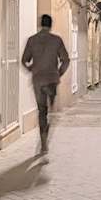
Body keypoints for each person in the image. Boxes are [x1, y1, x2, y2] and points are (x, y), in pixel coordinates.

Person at [21, 14, 70, 154]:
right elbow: (65, 60)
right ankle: (46, 133)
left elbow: (24, 60)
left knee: (41, 111)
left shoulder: (32, 40)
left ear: (40, 24)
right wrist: (58, 73)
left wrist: (32, 69)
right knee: (51, 111)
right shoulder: (56, 40)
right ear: (50, 25)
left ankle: (43, 143)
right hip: (51, 79)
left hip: (38, 80)